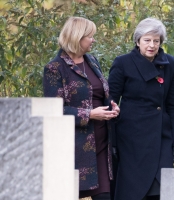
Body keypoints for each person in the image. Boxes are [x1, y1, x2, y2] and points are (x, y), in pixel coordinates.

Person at [108, 17, 174, 200]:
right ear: (138, 41)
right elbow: (110, 103)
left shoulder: (170, 63)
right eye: (147, 40)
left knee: (164, 191)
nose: (152, 45)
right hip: (131, 139)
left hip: (161, 137)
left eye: (156, 41)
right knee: (134, 191)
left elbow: (173, 105)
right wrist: (112, 142)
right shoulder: (123, 63)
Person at [43, 16, 120, 200]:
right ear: (77, 37)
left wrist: (112, 107)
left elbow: (100, 92)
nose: (93, 40)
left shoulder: (92, 60)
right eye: (90, 36)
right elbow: (54, 111)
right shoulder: (55, 68)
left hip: (102, 144)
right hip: (75, 149)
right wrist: (90, 114)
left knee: (105, 197)